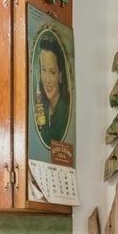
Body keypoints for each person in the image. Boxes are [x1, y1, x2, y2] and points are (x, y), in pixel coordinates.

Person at [32, 33, 73, 167]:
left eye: (52, 72)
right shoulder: (43, 106)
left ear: (60, 76)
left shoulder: (64, 110)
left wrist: (42, 126)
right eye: (43, 70)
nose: (47, 80)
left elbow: (51, 141)